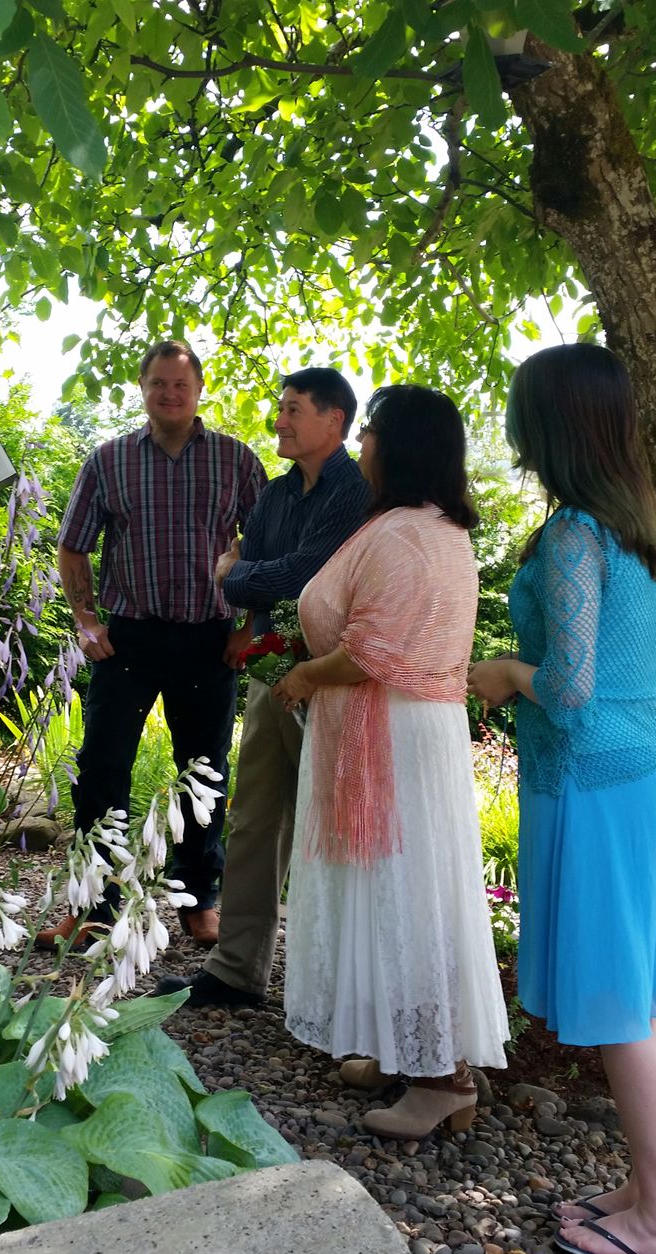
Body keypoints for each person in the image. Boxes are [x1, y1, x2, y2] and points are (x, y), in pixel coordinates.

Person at [468, 344, 656, 1254]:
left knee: (623, 1006)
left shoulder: (573, 534)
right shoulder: (638, 531)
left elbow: (568, 686)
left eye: (522, 414)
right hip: (640, 780)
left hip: (594, 791)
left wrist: (501, 673)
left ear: (549, 425)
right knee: (631, 997)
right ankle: (647, 1191)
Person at [272, 385, 510, 1139]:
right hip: (407, 735)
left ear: (399, 446)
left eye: (370, 431)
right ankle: (402, 1046)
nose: (363, 444)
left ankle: (443, 1076)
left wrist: (306, 675)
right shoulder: (430, 527)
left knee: (408, 893)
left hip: (394, 739)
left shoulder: (408, 533)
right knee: (390, 891)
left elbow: (372, 651)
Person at [36, 339, 267, 950]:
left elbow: (265, 547)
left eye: (181, 386)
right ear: (142, 389)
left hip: (208, 639)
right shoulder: (107, 462)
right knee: (102, 769)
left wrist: (248, 630)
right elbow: (73, 544)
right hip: (128, 639)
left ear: (199, 392)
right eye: (159, 384)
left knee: (205, 773)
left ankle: (197, 901)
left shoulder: (236, 461)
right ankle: (94, 906)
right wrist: (86, 622)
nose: (170, 394)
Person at [152, 367, 369, 1006]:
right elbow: (260, 578)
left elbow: (303, 578)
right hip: (274, 673)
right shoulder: (274, 495)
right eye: (280, 408)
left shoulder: (354, 493)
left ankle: (329, 987)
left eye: (294, 409)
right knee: (252, 821)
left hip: (329, 678)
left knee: (323, 829)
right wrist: (248, 594)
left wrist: (239, 575)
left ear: (335, 420)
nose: (279, 420)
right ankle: (234, 971)